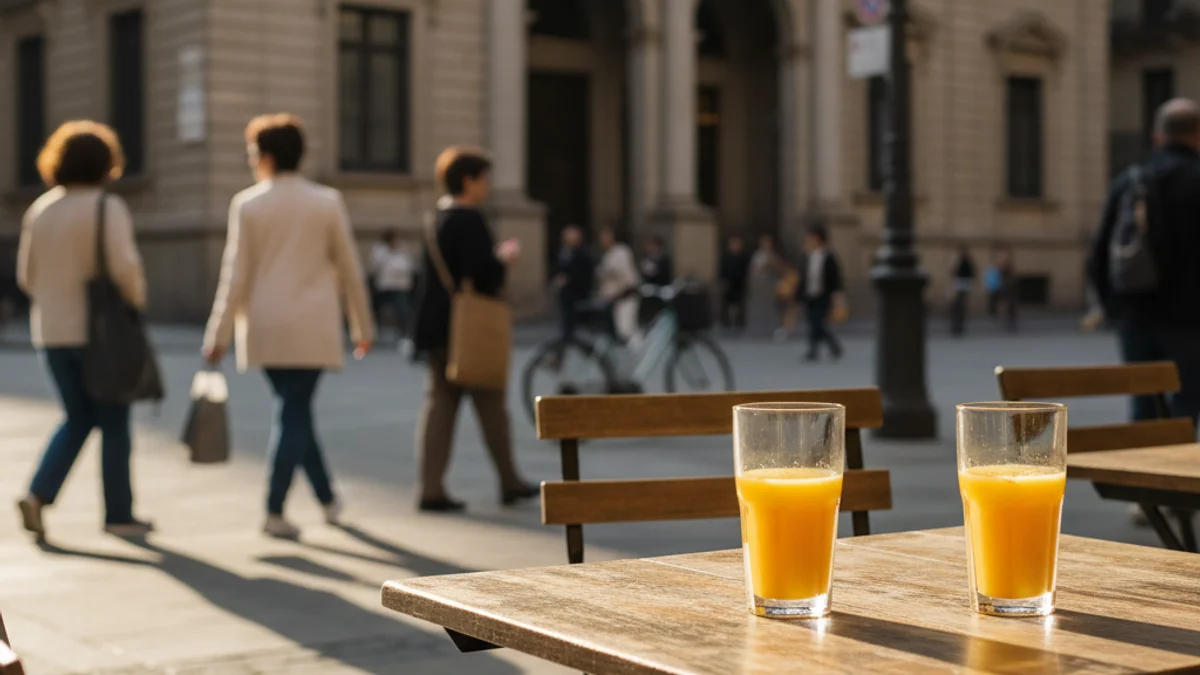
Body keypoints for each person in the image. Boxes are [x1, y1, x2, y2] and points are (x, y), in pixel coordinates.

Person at [202, 113, 376, 540]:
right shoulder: (327, 201)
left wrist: (217, 335)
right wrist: (362, 325)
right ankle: (276, 509)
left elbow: (234, 275)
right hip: (312, 326)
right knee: (295, 413)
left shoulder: (248, 204)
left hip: (266, 326)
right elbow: (350, 268)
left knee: (293, 412)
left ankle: (324, 500)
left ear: (267, 155)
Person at [15, 121, 152, 538]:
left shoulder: (41, 209)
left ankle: (38, 494)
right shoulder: (106, 207)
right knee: (113, 421)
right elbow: (125, 269)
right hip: (100, 337)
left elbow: (27, 276)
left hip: (52, 332)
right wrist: (137, 302)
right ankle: (119, 515)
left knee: (77, 417)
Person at [411, 146, 536, 513]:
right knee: (492, 406)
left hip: (438, 327)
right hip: (470, 330)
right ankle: (510, 481)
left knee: (439, 407)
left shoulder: (437, 217)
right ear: (469, 180)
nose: (488, 186)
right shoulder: (470, 220)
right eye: (484, 178)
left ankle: (430, 487)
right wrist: (504, 259)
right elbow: (484, 275)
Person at [1089, 98, 1200, 426]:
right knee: (1187, 403)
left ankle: (1143, 474)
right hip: (1190, 319)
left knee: (1143, 405)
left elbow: (1099, 252)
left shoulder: (1130, 179)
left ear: (1157, 136)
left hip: (1135, 315)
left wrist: (1114, 309)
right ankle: (1177, 474)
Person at [796, 225, 844, 362]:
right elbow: (802, 277)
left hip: (823, 295)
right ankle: (817, 349)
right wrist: (798, 296)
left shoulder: (828, 256)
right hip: (809, 295)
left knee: (818, 322)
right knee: (812, 323)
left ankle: (830, 345)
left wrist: (836, 294)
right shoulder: (807, 255)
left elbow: (835, 277)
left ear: (818, 238)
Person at [370, 229, 416, 350]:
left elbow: (408, 266)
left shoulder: (402, 249)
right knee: (377, 310)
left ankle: (405, 335)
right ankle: (373, 334)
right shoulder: (380, 250)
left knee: (403, 310)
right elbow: (376, 265)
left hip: (400, 286)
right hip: (384, 286)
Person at [597, 227, 641, 342]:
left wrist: (623, 291)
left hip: (626, 295)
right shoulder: (608, 254)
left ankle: (643, 355)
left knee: (627, 329)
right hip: (614, 298)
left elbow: (626, 275)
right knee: (621, 330)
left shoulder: (622, 251)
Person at [554, 224, 594, 343]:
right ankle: (567, 336)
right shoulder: (565, 251)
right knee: (567, 315)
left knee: (574, 315)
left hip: (576, 290)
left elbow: (585, 273)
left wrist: (569, 279)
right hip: (566, 291)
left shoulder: (582, 253)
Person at [746, 234, 783, 339]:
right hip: (760, 285)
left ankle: (771, 329)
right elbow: (754, 270)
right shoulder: (757, 255)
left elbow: (780, 269)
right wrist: (765, 266)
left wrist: (774, 264)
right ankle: (758, 330)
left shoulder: (774, 255)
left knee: (771, 308)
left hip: (771, 284)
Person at [719, 235, 751, 331]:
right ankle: (727, 322)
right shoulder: (726, 258)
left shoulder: (744, 258)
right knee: (728, 304)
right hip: (729, 284)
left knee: (740, 304)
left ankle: (739, 322)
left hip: (740, 284)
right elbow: (722, 271)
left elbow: (747, 271)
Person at [950, 244, 976, 337]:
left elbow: (971, 273)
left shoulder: (965, 262)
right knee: (959, 304)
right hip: (962, 283)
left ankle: (958, 325)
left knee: (960, 304)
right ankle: (958, 325)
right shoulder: (962, 262)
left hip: (963, 283)